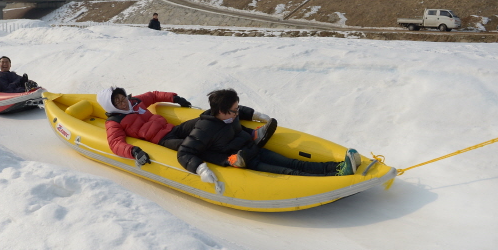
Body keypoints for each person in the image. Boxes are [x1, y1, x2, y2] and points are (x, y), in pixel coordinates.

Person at [176, 88, 360, 185]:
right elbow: (184, 152)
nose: (237, 112)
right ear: (222, 111)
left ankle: (340, 167)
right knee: (291, 173)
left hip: (253, 148)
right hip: (244, 161)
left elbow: (241, 112)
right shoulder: (205, 128)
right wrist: (200, 169)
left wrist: (255, 114)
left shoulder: (230, 114)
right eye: (234, 110)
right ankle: (336, 180)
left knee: (294, 163)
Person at [96, 87, 276, 167]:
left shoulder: (136, 102)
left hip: (174, 128)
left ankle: (253, 134)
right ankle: (232, 158)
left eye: (122, 97)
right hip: (164, 140)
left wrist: (174, 98)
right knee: (198, 145)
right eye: (117, 102)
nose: (122, 102)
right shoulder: (114, 122)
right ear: (111, 106)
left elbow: (154, 94)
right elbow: (115, 143)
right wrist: (134, 151)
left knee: (204, 121)